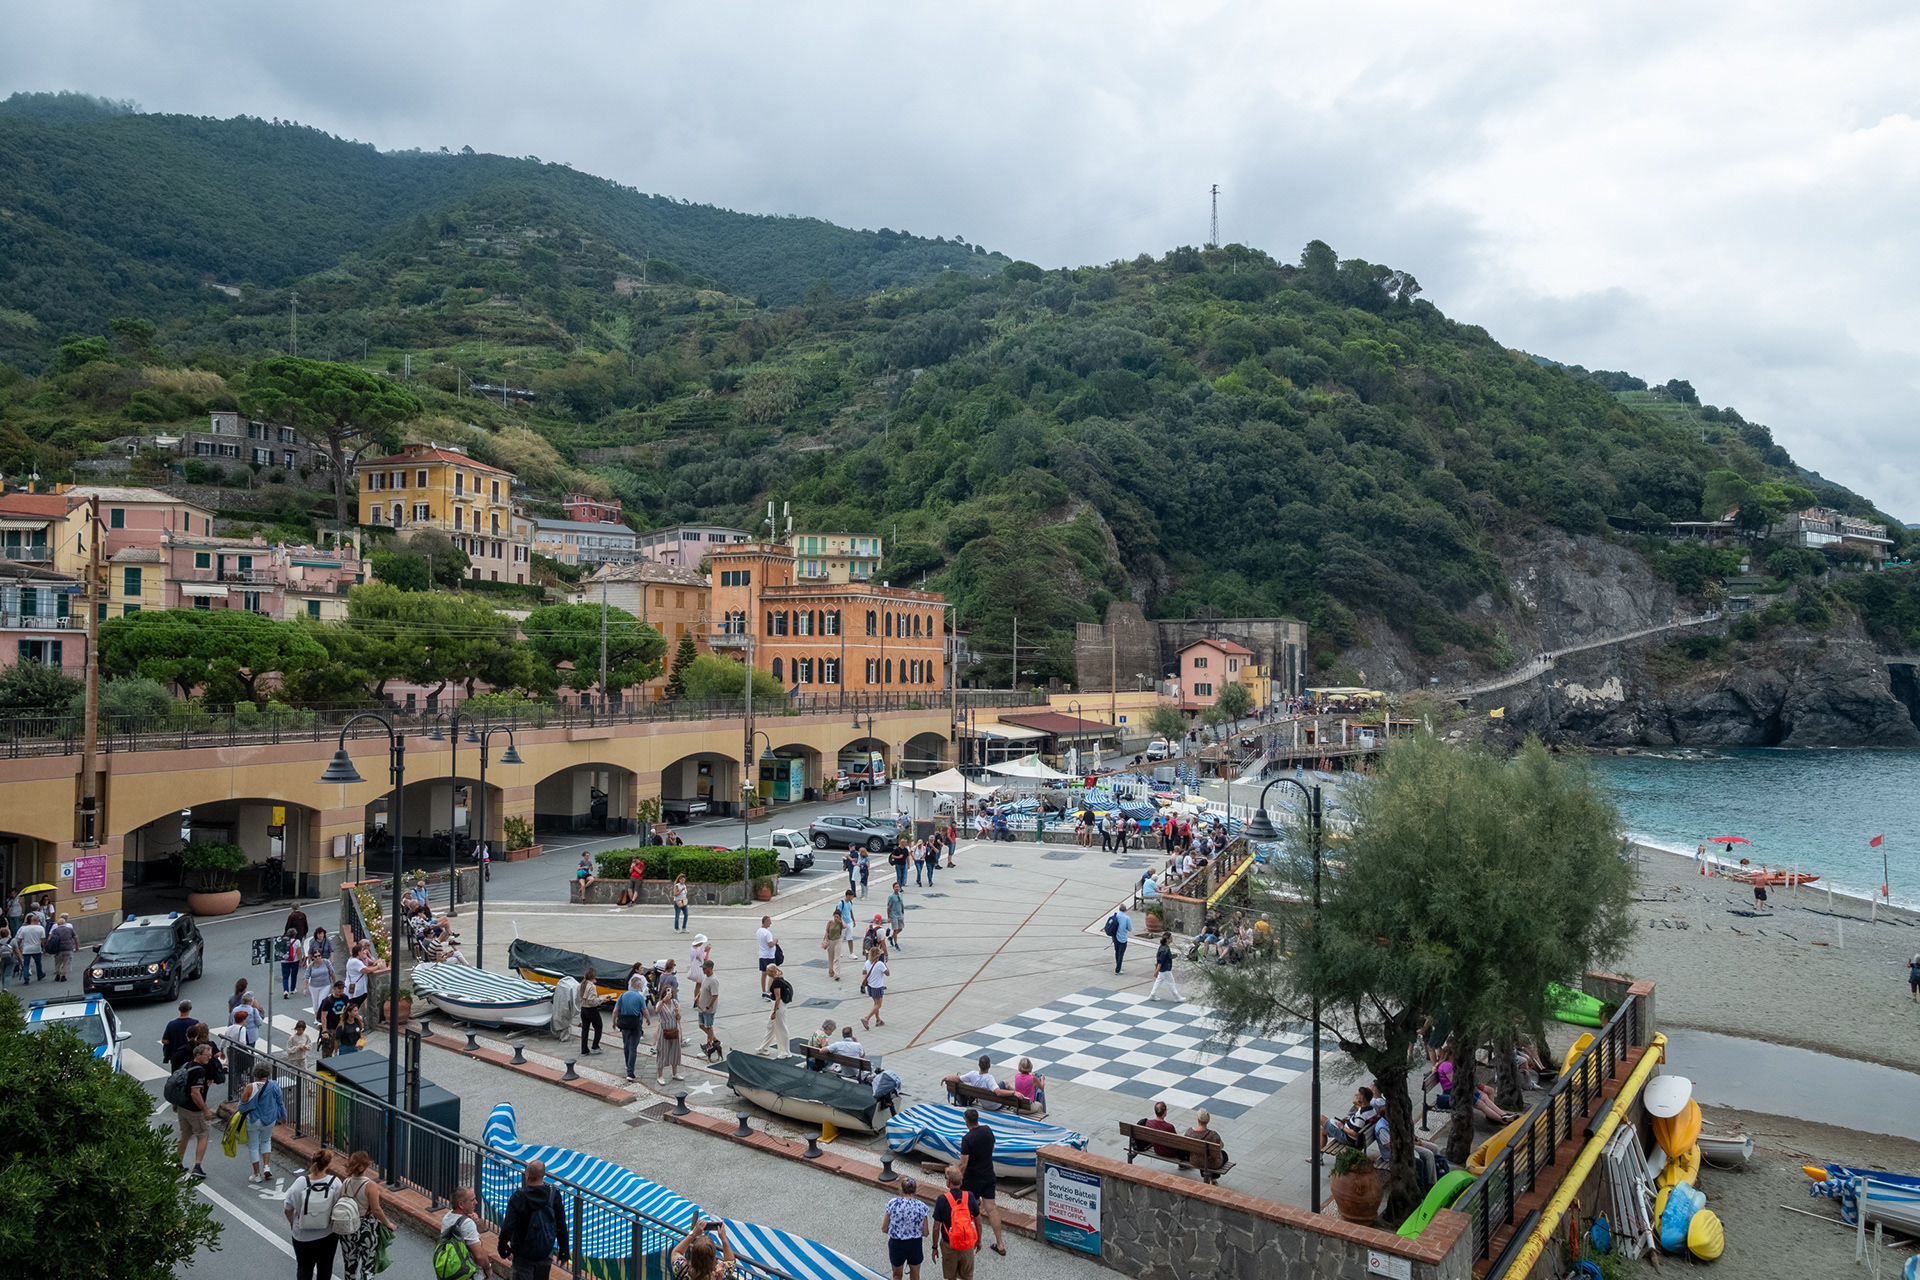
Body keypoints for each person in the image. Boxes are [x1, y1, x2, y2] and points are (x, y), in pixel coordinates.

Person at [498, 1159, 570, 1280]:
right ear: (543, 1175)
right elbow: (561, 1224)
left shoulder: (518, 1198)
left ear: (527, 1176)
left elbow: (507, 1227)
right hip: (544, 1252)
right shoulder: (553, 1195)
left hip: (522, 1254)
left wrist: (503, 1248)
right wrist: (563, 1251)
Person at [953, 1109, 1005, 1256]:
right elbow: (992, 1148)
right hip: (989, 1175)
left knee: (968, 1209)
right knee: (991, 1208)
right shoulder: (987, 1130)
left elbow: (963, 1164)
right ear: (977, 1119)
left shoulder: (967, 1139)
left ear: (966, 1121)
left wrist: (957, 1178)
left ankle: (968, 1239)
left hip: (972, 1179)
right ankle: (1000, 1244)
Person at [285, 1149, 343, 1280]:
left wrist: (293, 1224)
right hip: (327, 1234)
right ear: (328, 1165)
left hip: (303, 1236)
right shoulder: (335, 1182)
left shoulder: (300, 1182)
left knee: (304, 1267)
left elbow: (288, 1208)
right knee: (325, 1268)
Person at [338, 1149, 396, 1280]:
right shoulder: (370, 1185)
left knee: (349, 1267)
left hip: (347, 1229)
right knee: (367, 1269)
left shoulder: (346, 1182)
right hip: (365, 1229)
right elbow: (376, 1210)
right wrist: (388, 1223)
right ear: (365, 1165)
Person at [235, 1062, 286, 1183]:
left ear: (255, 1074)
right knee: (266, 1141)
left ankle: (257, 1174)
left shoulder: (250, 1087)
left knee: (253, 1146)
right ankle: (267, 1166)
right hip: (270, 1119)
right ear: (268, 1073)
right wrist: (283, 1115)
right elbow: (280, 1102)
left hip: (253, 1119)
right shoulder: (274, 1085)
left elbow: (242, 1106)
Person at [173, 1042, 217, 1178]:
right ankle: (197, 1167)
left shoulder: (186, 1066)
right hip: (194, 1110)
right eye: (207, 1056)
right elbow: (195, 1093)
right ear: (198, 1055)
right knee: (203, 1134)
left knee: (185, 1135)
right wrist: (205, 1110)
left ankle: (178, 1163)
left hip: (182, 1107)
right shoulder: (199, 1071)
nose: (209, 1058)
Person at [932, 1166, 982, 1280]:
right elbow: (978, 1222)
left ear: (948, 1182)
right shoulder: (969, 1196)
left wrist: (934, 1247)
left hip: (949, 1244)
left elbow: (936, 1227)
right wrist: (978, 1240)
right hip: (967, 1245)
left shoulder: (942, 1199)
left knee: (951, 1276)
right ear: (961, 1181)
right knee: (968, 1276)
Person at [439, 1186, 495, 1280]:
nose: (476, 1203)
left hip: (452, 1269)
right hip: (468, 1273)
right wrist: (488, 1268)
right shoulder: (467, 1224)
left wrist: (476, 1222)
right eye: (472, 1200)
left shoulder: (447, 1217)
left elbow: (481, 1229)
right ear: (461, 1204)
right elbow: (479, 1255)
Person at [881, 1176, 930, 1280]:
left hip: (897, 1244)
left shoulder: (893, 1204)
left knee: (897, 1276)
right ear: (915, 1189)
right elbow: (925, 1232)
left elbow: (884, 1228)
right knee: (915, 1275)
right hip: (914, 1244)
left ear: (901, 1189)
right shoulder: (922, 1207)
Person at [670, 1223, 743, 1280]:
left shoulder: (682, 1269)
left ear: (694, 1254)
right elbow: (730, 1261)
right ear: (712, 1256)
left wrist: (693, 1234)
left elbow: (676, 1252)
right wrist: (723, 1239)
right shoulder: (719, 1273)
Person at [614, 979, 649, 1081]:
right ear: (638, 985)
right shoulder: (639, 997)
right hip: (635, 1024)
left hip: (624, 1024)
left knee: (626, 1044)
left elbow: (615, 1010)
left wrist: (613, 1021)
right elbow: (645, 1011)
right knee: (633, 1047)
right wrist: (648, 1019)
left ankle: (627, 1063)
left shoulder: (623, 995)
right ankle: (630, 1073)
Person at [1183, 1109, 1228, 1184]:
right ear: (1208, 1121)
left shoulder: (1189, 1132)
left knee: (1201, 1153)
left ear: (1198, 1119)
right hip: (1212, 1164)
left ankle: (1209, 1177)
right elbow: (1221, 1146)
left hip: (1194, 1160)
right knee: (1223, 1155)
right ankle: (1213, 1178)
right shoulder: (1213, 1135)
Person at [757, 964, 792, 1056]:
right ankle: (763, 1047)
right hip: (778, 1006)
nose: (766, 972)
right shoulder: (779, 979)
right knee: (770, 1027)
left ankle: (785, 1051)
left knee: (781, 1028)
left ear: (772, 972)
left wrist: (774, 1012)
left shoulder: (776, 982)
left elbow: (778, 997)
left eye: (768, 970)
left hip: (778, 1007)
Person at [655, 984, 684, 1084]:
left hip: (674, 1030)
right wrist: (663, 1001)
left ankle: (675, 1073)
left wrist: (677, 1013)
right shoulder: (660, 1003)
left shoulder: (675, 1002)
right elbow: (657, 1011)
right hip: (664, 1031)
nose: (670, 994)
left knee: (675, 1051)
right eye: (668, 992)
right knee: (662, 1052)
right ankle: (660, 1075)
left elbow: (679, 1018)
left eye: (671, 992)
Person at [694, 959, 722, 1061]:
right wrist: (697, 996)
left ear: (710, 968)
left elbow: (714, 995)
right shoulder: (706, 978)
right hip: (701, 1007)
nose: (703, 970)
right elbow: (702, 989)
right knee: (701, 1025)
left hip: (708, 1009)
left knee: (709, 1026)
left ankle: (709, 1046)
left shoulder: (714, 980)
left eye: (705, 968)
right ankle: (715, 1040)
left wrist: (708, 1007)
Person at [579, 966, 606, 1056]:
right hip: (591, 1009)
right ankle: (595, 1046)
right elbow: (592, 1001)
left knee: (585, 1029)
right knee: (598, 1026)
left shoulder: (582, 984)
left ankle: (584, 1049)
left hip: (583, 1009)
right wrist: (602, 1000)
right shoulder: (592, 987)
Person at [1148, 932, 1182, 1002]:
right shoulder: (1165, 948)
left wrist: (1172, 956)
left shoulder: (1162, 947)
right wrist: (1157, 969)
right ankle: (1177, 997)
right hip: (1165, 968)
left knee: (1159, 981)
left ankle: (1152, 994)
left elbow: (1161, 957)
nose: (1172, 939)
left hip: (1164, 967)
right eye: (1171, 938)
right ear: (1167, 939)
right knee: (1171, 982)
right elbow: (1161, 959)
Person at [860, 946, 887, 1031]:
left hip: (870, 986)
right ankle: (866, 1018)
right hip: (877, 987)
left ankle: (878, 1020)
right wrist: (885, 965)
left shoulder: (867, 962)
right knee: (878, 1005)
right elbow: (888, 973)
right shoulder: (880, 964)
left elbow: (864, 972)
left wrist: (864, 980)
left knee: (875, 1004)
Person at [305, 947, 336, 1019]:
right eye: (315, 956)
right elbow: (306, 977)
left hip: (325, 985)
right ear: (313, 958)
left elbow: (332, 973)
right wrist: (304, 988)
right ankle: (317, 1018)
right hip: (314, 986)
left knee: (321, 1001)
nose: (318, 958)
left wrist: (334, 984)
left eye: (319, 955)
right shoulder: (311, 966)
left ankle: (322, 1019)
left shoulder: (326, 962)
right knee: (315, 1003)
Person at [14, 910, 43, 983]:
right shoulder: (40, 928)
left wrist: (17, 947)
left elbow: (19, 939)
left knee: (26, 964)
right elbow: (43, 939)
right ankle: (39, 975)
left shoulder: (23, 928)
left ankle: (26, 978)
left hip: (26, 948)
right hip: (36, 948)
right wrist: (44, 947)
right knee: (38, 963)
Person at [47, 912, 75, 981]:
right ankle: (63, 975)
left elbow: (49, 938)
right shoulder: (70, 927)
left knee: (57, 962)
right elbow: (75, 937)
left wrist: (48, 947)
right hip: (68, 947)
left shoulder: (55, 929)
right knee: (66, 962)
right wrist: (76, 946)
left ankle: (57, 974)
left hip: (58, 948)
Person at [757, 915, 780, 997]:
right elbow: (770, 944)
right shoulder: (767, 933)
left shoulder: (759, 931)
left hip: (762, 955)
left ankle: (763, 991)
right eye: (769, 922)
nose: (771, 923)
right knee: (772, 973)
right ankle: (769, 991)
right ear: (766, 922)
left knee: (763, 973)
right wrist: (775, 941)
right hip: (769, 956)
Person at [280, 928, 305, 996]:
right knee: (294, 975)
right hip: (294, 961)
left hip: (284, 961)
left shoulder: (283, 941)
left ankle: (285, 990)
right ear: (295, 934)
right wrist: (300, 961)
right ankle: (292, 989)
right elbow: (299, 953)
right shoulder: (297, 942)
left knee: (285, 976)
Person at [824, 904, 846, 980]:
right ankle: (831, 972)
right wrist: (825, 941)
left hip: (837, 941)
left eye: (837, 917)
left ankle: (837, 974)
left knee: (837, 958)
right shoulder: (829, 923)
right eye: (835, 916)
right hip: (830, 941)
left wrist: (841, 920)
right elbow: (827, 932)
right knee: (831, 957)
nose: (836, 918)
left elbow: (845, 926)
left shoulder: (840, 923)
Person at [1107, 906, 1132, 974]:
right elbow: (1130, 929)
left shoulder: (1115, 916)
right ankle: (1118, 969)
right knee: (1121, 953)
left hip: (1115, 937)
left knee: (1117, 951)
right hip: (1122, 938)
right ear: (1125, 910)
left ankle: (1118, 965)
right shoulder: (1127, 918)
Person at [886, 886, 906, 951]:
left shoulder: (900, 895)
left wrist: (902, 911)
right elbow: (888, 907)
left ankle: (891, 937)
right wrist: (889, 917)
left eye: (898, 887)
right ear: (893, 888)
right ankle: (896, 944)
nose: (897, 888)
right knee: (895, 929)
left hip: (900, 914)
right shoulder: (891, 897)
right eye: (895, 887)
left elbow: (901, 903)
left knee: (901, 928)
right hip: (893, 915)